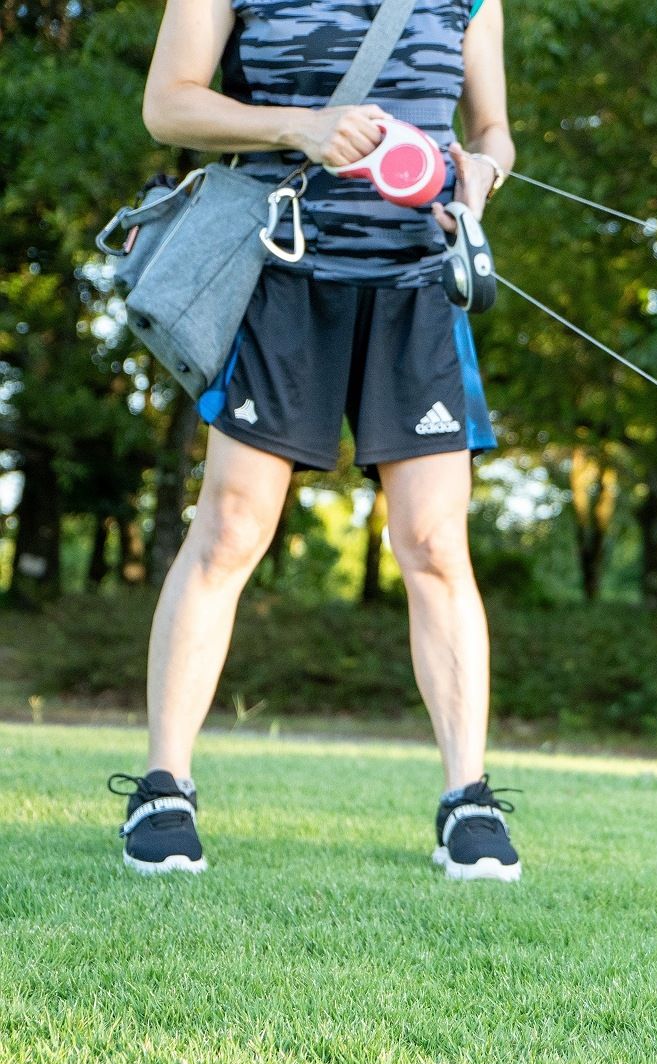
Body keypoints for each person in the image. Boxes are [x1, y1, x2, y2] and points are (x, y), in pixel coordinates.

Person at [110, 0, 522, 880]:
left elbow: (492, 126)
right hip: (277, 271)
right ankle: (162, 790)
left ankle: (470, 802)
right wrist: (301, 125)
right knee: (228, 531)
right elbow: (168, 105)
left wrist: (482, 171)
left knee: (435, 544)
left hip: (419, 285)